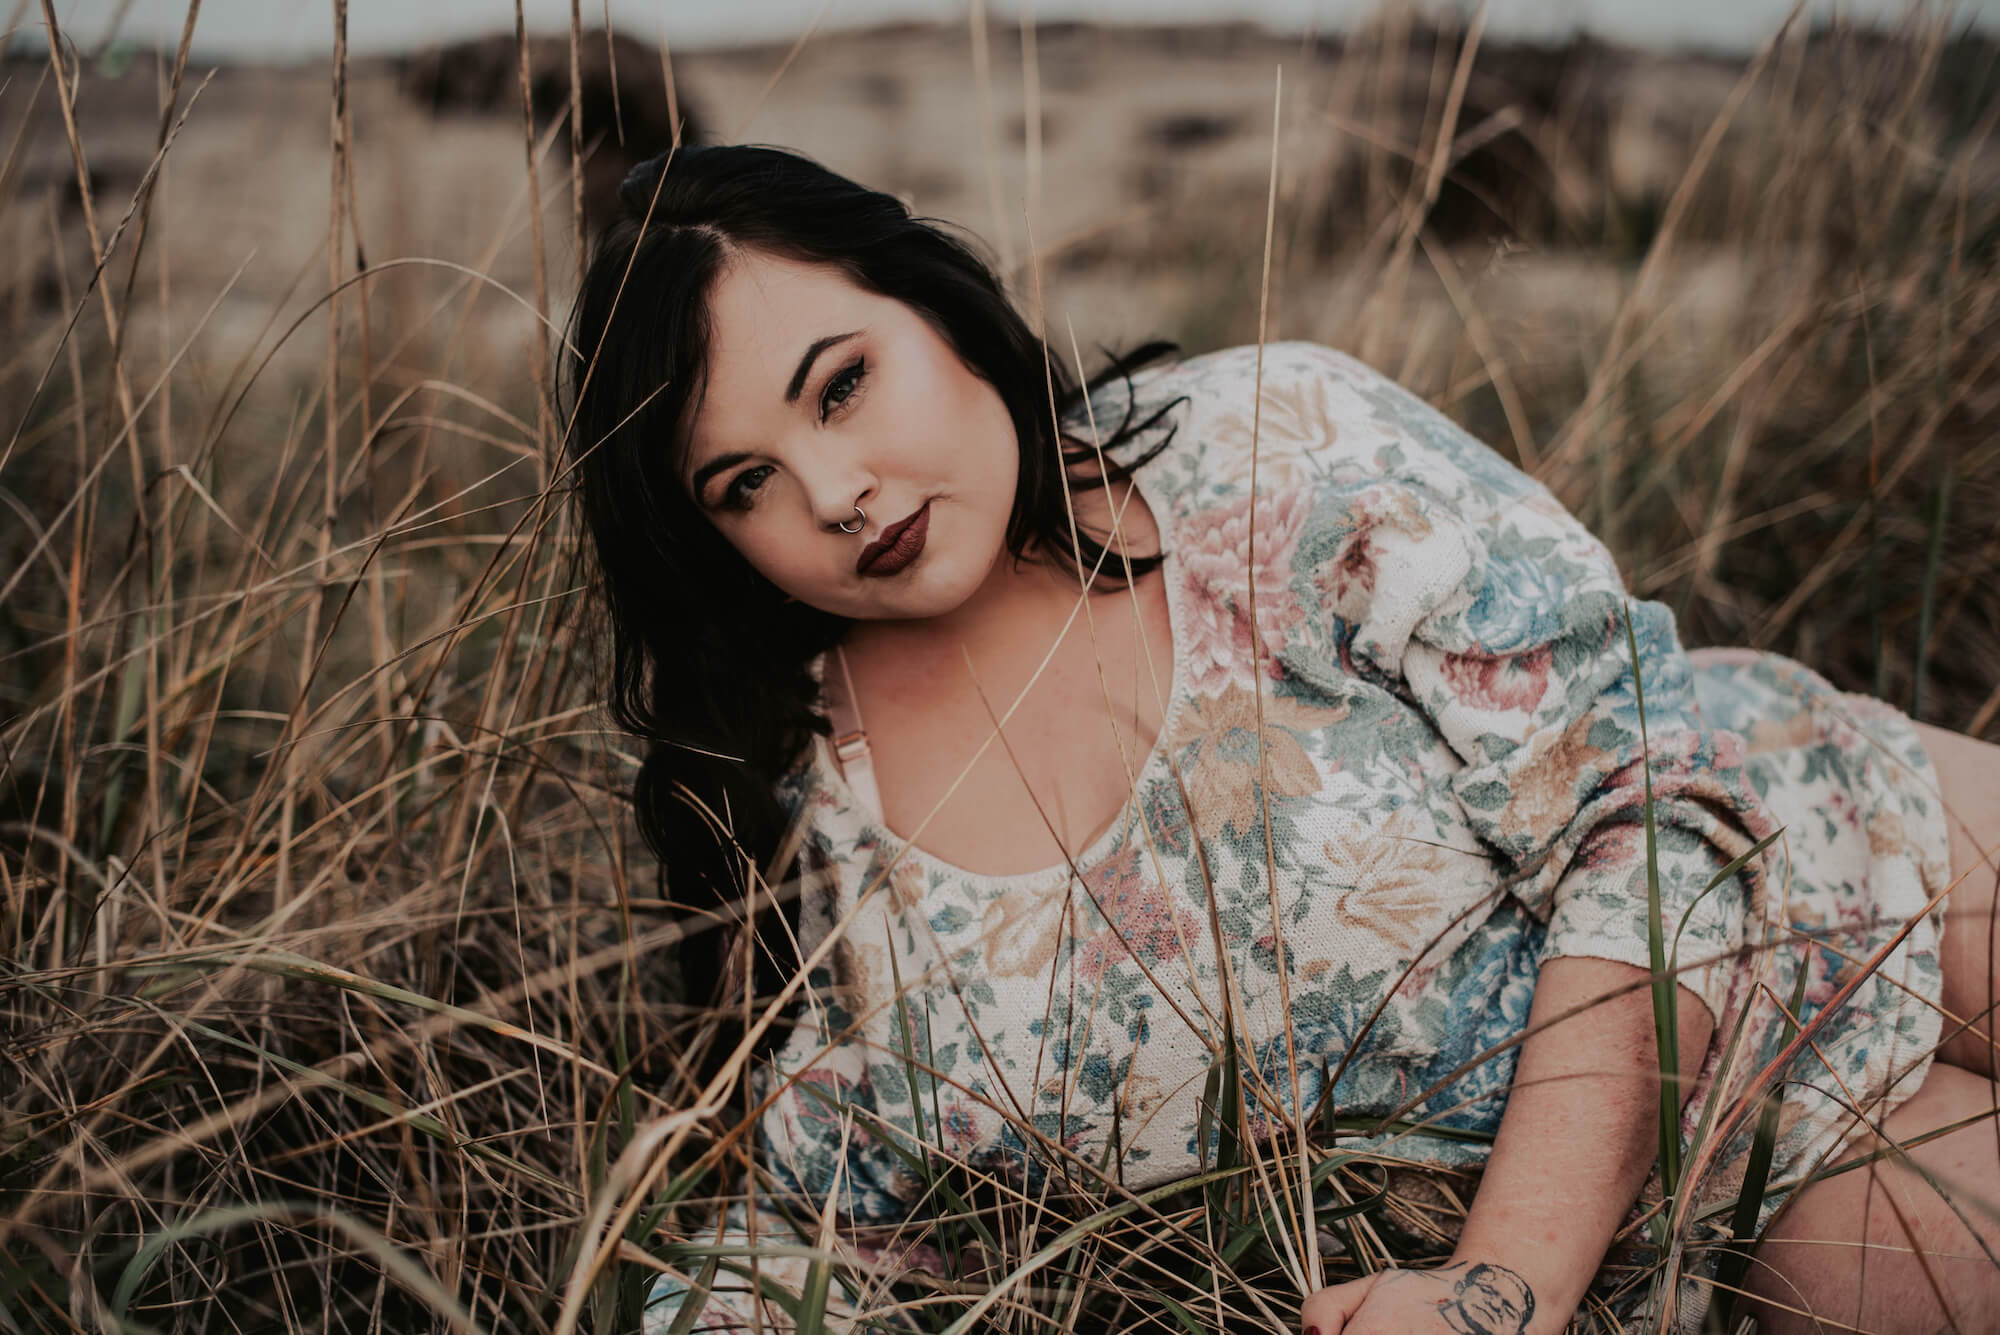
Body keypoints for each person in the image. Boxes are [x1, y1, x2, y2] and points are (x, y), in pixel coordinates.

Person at [562, 144, 2000, 1334]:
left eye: (843, 383)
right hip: (1721, 1216)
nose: (834, 489)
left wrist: (1502, 1286)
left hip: (1852, 854)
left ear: (932, 303)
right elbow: (835, 1242)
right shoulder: (808, 825)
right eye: (745, 480)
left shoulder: (1262, 446)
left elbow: (1648, 793)